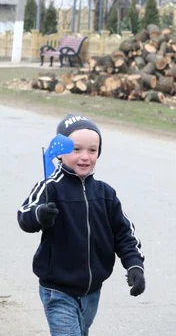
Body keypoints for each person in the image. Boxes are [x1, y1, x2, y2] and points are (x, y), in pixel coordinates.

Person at [17, 114, 145, 336]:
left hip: (92, 291)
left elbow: (124, 234)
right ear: (60, 152)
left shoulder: (105, 194)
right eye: (76, 149)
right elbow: (25, 215)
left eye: (92, 150)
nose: (85, 157)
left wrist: (135, 266)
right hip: (57, 289)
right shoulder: (51, 187)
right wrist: (41, 215)